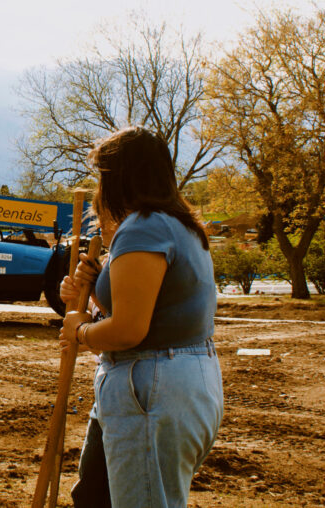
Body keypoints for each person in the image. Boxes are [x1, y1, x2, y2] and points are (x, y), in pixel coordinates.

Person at [59, 126, 224, 507]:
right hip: (170, 381)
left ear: (119, 178)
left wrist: (81, 330)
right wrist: (97, 286)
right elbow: (154, 306)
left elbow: (130, 329)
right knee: (95, 496)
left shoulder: (144, 227)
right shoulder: (177, 226)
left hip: (149, 387)